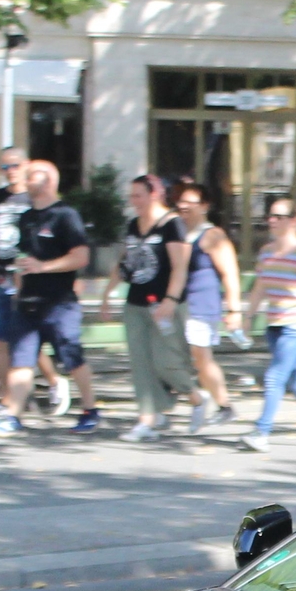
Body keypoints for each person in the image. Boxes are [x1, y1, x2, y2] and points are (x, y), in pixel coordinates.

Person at [0, 158, 102, 437]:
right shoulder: (26, 218)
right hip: (28, 302)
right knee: (21, 360)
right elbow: (24, 259)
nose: (24, 178)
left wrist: (44, 267)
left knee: (72, 357)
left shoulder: (65, 215)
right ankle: (13, 415)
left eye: (31, 174)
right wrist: (20, 291)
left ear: (48, 180)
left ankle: (90, 410)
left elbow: (80, 256)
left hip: (59, 301)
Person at [0, 149, 69, 419]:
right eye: (4, 166)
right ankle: (6, 399)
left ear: (26, 165)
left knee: (26, 337)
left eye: (15, 165)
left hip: (27, 276)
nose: (10, 171)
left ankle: (54, 380)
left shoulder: (34, 198)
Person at [240, 195, 296, 452]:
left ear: (293, 222)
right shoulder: (267, 252)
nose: (272, 220)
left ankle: (262, 431)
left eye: (279, 216)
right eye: (270, 216)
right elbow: (260, 288)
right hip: (274, 326)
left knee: (274, 376)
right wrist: (248, 318)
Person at [116, 174, 196, 441]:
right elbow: (126, 261)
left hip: (165, 303)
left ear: (154, 195)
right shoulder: (133, 224)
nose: (133, 201)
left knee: (166, 362)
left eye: (138, 195)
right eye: (131, 196)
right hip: (136, 301)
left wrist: (171, 300)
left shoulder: (172, 225)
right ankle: (148, 419)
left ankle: (197, 398)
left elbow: (180, 267)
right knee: (140, 363)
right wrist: (106, 293)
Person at [169, 180, 242, 432]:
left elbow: (230, 273)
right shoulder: (176, 231)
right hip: (177, 306)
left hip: (202, 305)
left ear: (205, 206)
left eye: (190, 202)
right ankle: (177, 403)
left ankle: (224, 405)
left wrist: (234, 309)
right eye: (181, 201)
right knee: (171, 355)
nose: (183, 206)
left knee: (201, 358)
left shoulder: (212, 235)